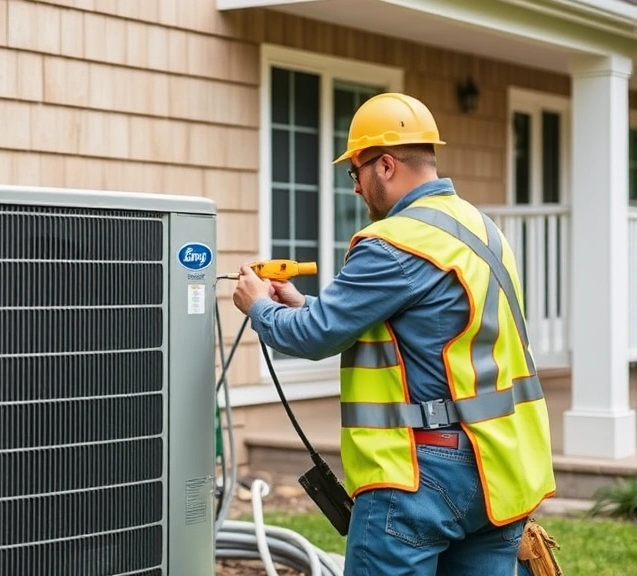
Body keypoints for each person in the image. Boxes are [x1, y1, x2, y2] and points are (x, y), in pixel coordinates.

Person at [232, 92, 556, 576]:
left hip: (421, 471)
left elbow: (314, 338)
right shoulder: (480, 228)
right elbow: (422, 324)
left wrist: (257, 306)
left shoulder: (393, 243)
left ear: (384, 165)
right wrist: (303, 304)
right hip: (498, 463)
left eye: (355, 173)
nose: (356, 190)